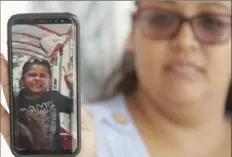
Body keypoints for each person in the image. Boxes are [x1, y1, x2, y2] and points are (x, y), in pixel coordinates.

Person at [1, 1, 231, 157]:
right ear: (132, 33)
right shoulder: (81, 141)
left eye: (212, 22)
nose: (185, 42)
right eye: (161, 18)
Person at [13, 58, 75, 151]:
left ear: (49, 81)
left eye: (42, 75)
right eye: (32, 75)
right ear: (22, 79)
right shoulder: (14, 101)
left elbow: (77, 107)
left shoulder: (54, 97)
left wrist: (72, 86)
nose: (37, 78)